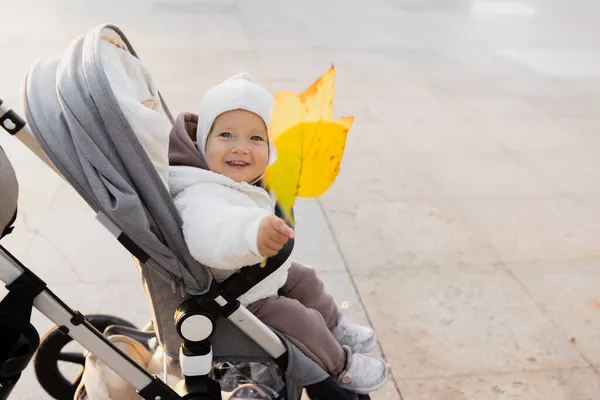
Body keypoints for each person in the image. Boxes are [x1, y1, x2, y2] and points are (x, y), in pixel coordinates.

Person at [168, 73, 388, 394]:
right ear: (204, 141)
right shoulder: (199, 193)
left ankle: (335, 327)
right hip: (233, 293)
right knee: (297, 318)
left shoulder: (230, 179)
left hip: (247, 273)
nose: (241, 148)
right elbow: (211, 229)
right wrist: (251, 233)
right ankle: (341, 364)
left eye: (256, 139)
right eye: (227, 135)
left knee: (304, 279)